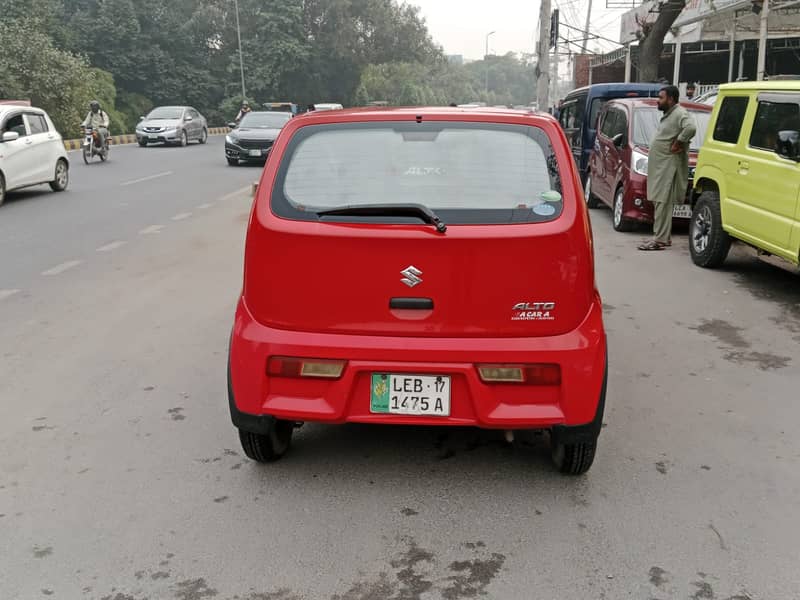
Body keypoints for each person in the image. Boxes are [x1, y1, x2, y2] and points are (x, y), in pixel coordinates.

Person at [638, 85, 697, 251]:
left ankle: (660, 240)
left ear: (671, 99)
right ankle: (664, 237)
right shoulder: (670, 115)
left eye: (661, 97)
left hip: (668, 167)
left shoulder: (679, 113)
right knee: (659, 201)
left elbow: (691, 128)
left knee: (662, 202)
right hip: (660, 168)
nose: (658, 100)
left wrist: (679, 141)